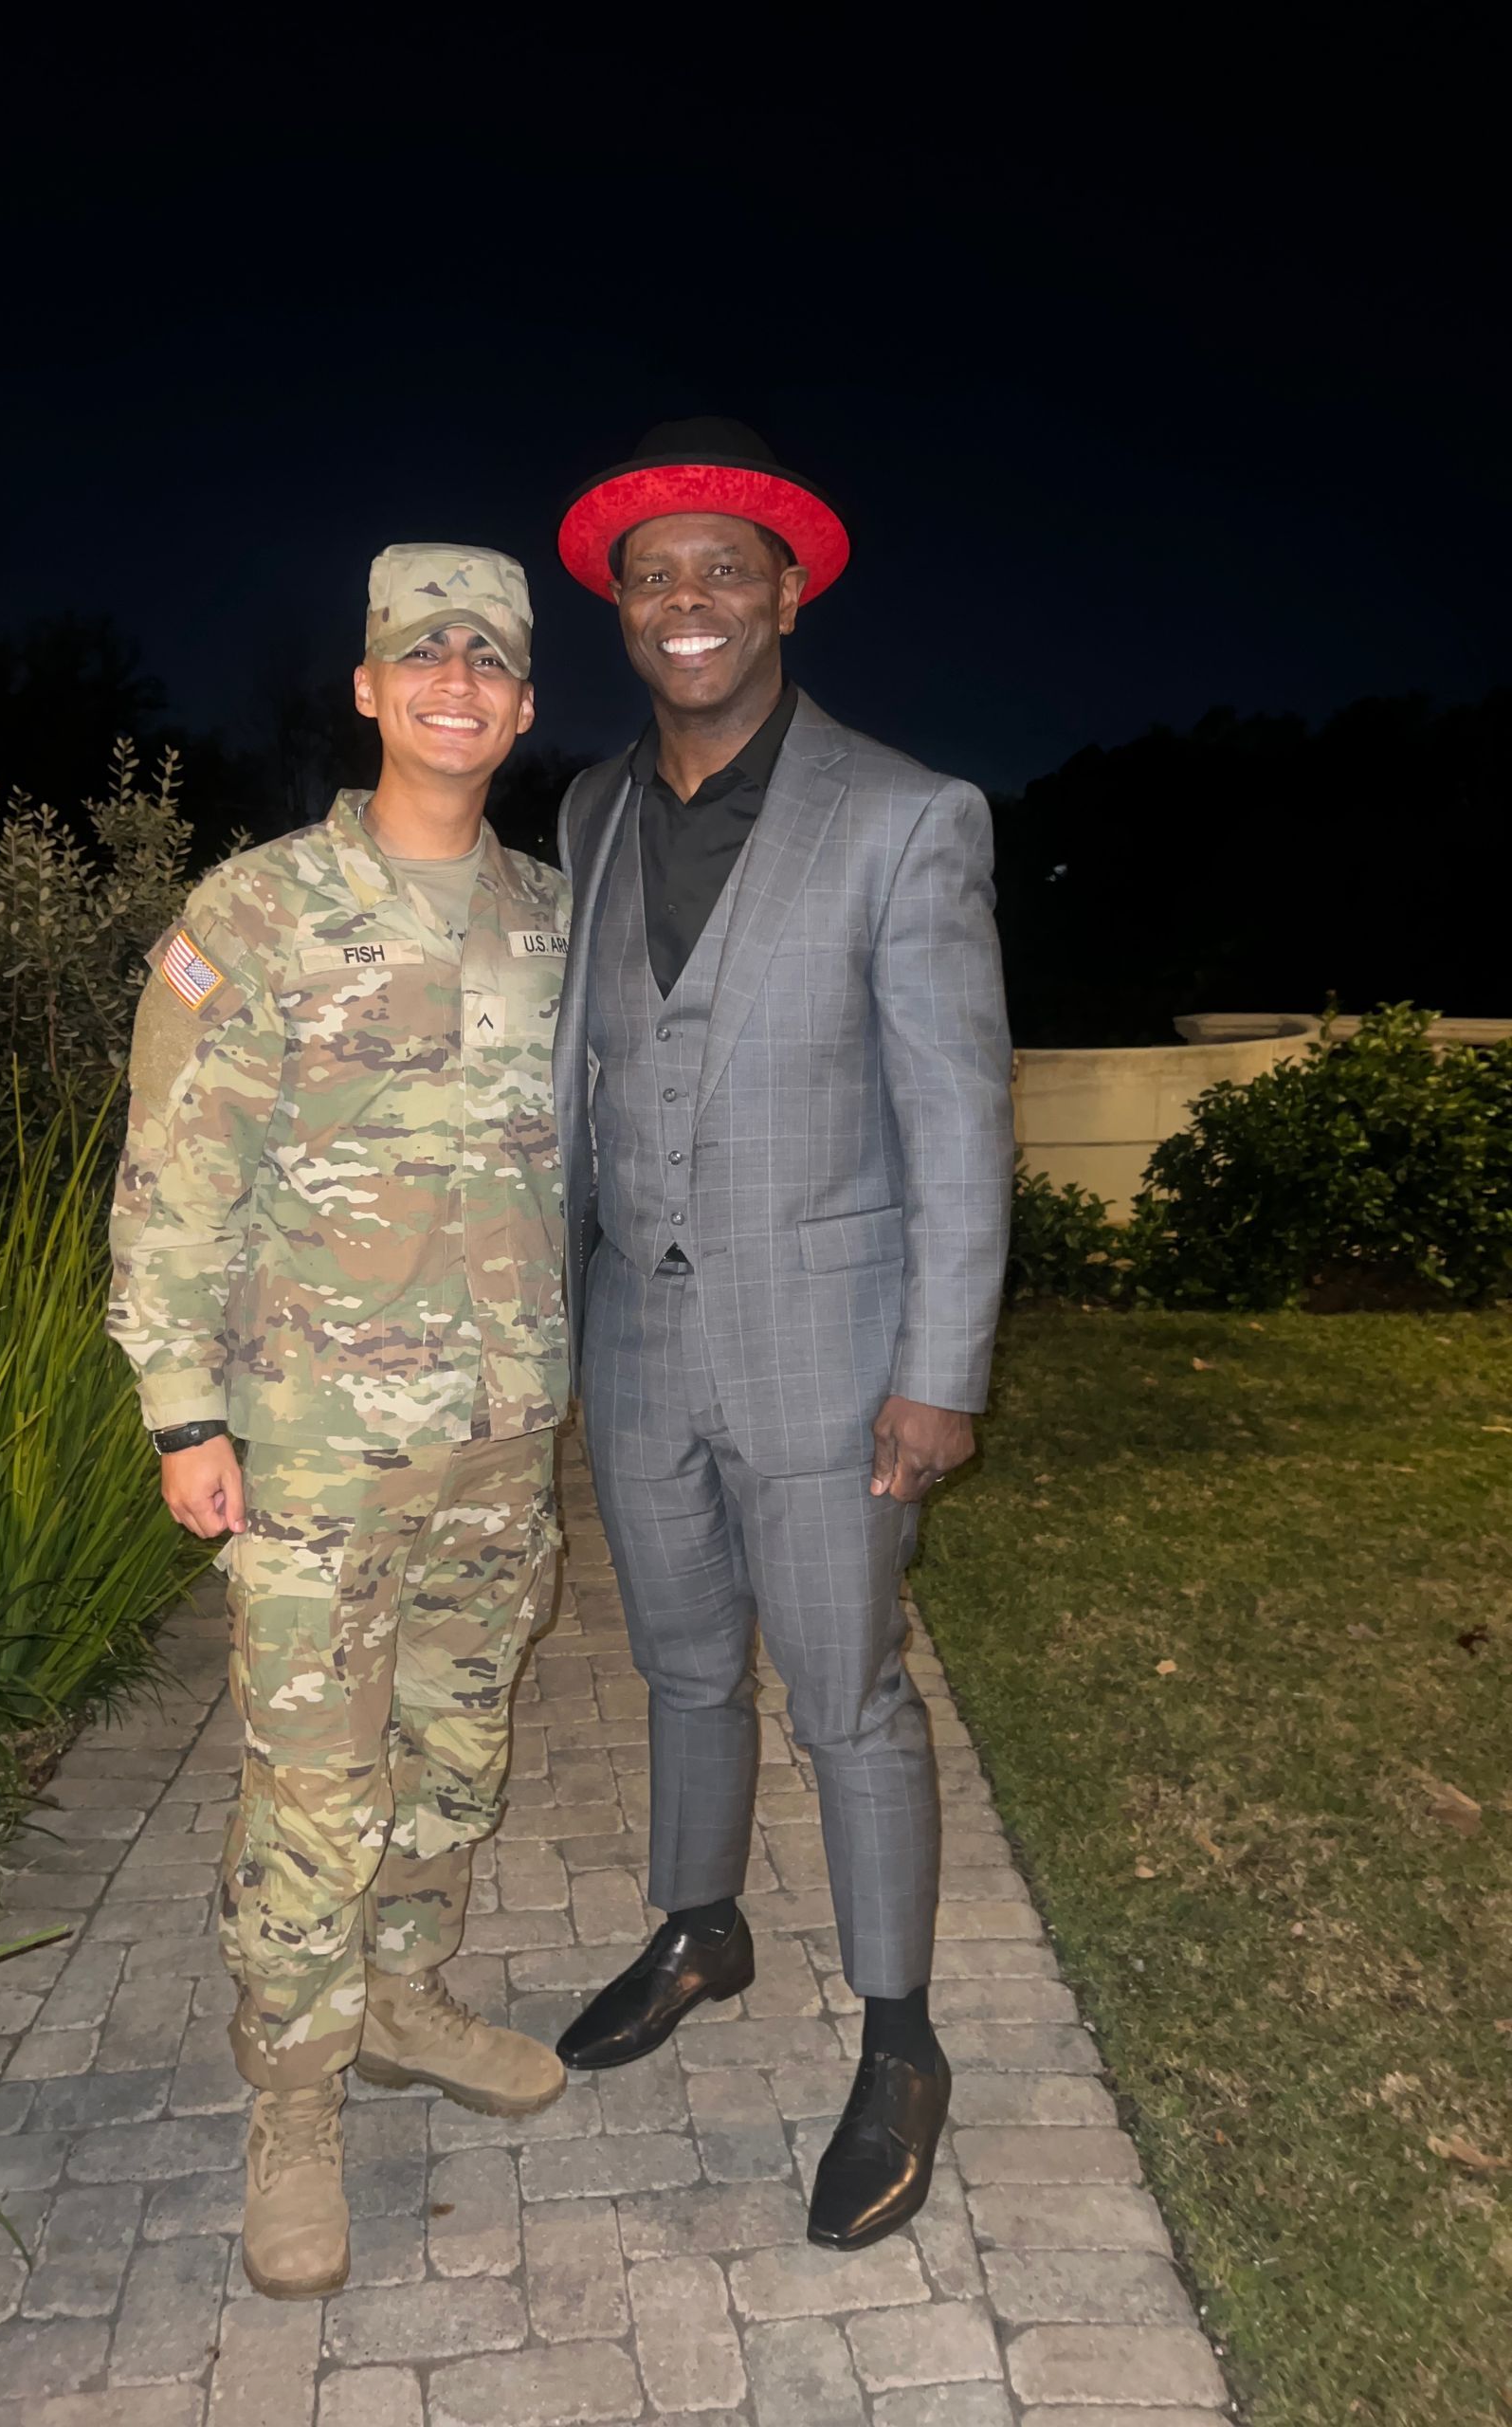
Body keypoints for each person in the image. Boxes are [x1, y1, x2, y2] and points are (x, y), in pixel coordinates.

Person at [549, 421, 1014, 2251]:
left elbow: (960, 1118)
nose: (688, 602)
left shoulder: (907, 815)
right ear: (622, 604)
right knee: (675, 1670)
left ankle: (901, 2043)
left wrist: (941, 1372)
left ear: (787, 592)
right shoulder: (586, 814)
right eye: (654, 574)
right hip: (636, 1351)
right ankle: (699, 1926)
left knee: (849, 1705)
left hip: (831, 1356)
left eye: (723, 569)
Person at [108, 543, 571, 2301]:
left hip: (503, 1433)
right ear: (370, 691)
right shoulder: (261, 912)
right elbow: (176, 1176)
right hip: (308, 1445)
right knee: (319, 1785)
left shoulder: (552, 915)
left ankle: (403, 2000)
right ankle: (292, 2103)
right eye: (421, 654)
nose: (457, 680)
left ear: (524, 707)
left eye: (492, 660)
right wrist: (181, 1413)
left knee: (457, 1751)